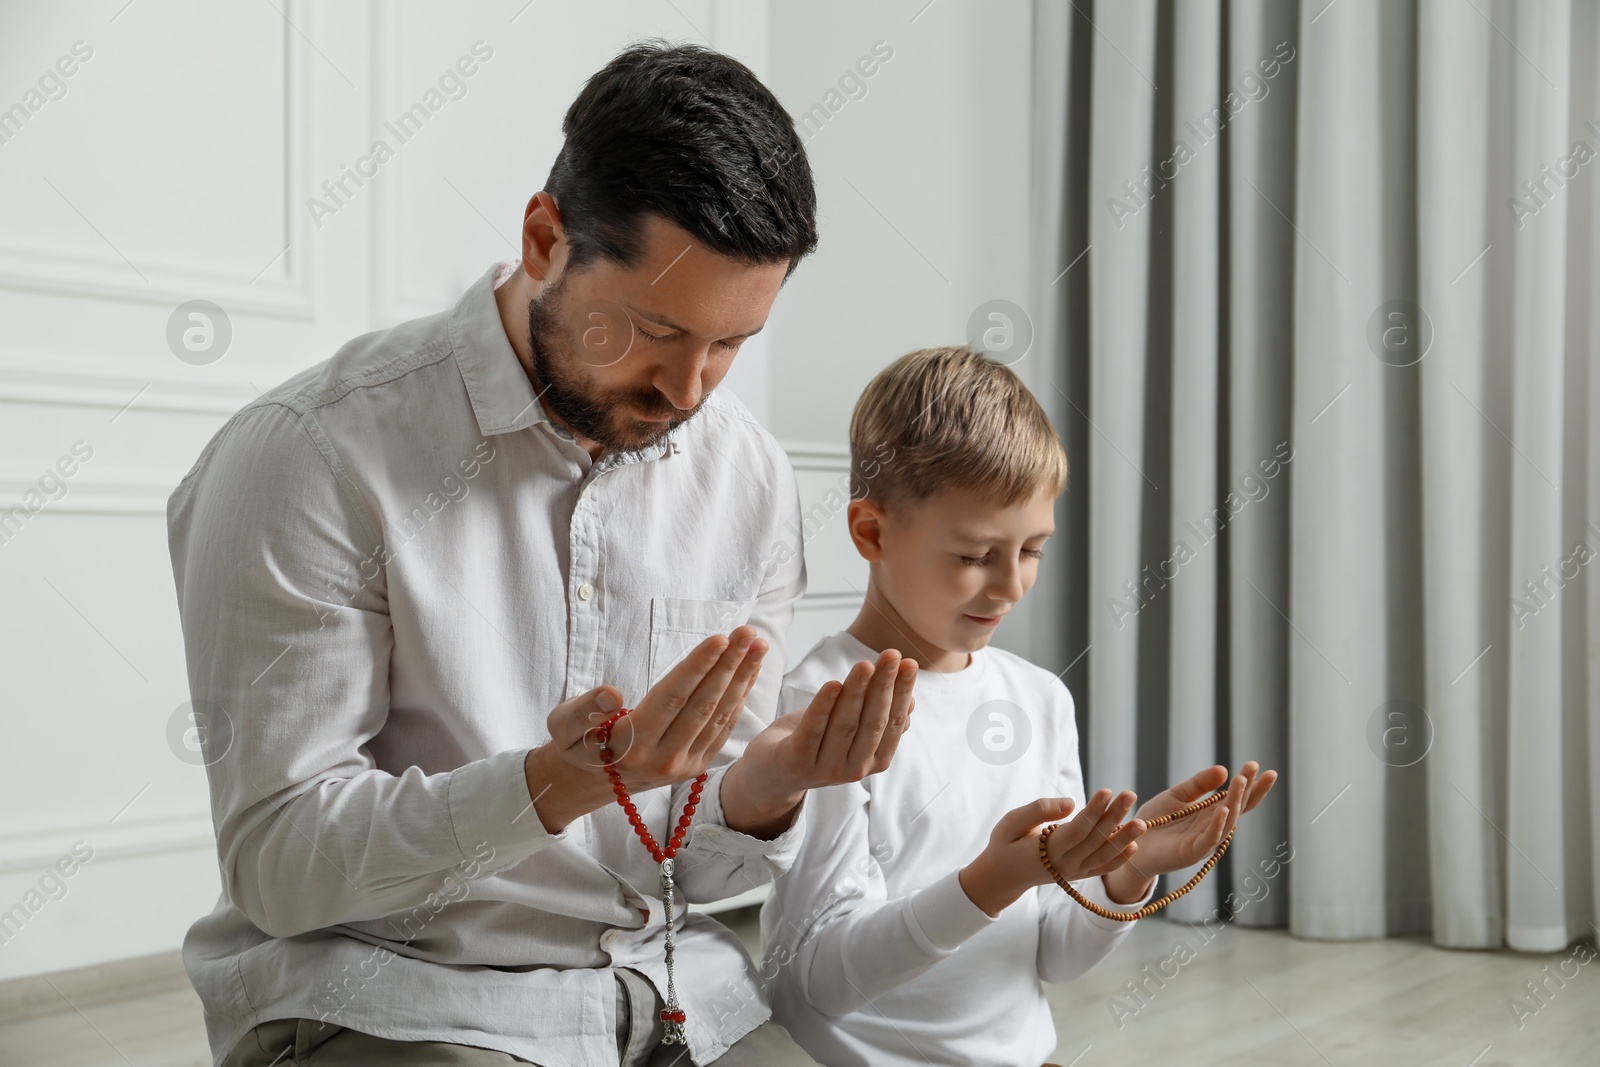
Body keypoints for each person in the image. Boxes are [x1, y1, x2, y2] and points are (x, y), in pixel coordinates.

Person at [167, 43, 919, 1067]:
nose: (691, 389)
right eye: (657, 329)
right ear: (542, 239)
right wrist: (547, 785)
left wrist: (766, 787)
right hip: (398, 995)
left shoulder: (746, 477)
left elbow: (683, 865)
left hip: (667, 993)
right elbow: (282, 865)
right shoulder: (309, 453)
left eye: (732, 343)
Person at [762, 347, 1278, 1067]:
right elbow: (820, 981)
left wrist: (1128, 868)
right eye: (976, 555)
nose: (1011, 585)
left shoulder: (1038, 698)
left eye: (1032, 549)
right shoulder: (823, 709)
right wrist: (995, 878)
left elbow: (1057, 957)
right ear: (872, 532)